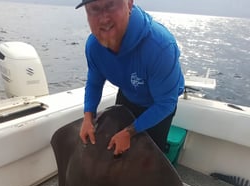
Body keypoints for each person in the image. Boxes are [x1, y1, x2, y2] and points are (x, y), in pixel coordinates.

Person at [76, 0, 184, 155]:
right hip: (129, 94)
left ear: (129, 4)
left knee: (150, 157)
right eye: (94, 9)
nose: (104, 18)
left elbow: (166, 103)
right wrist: (88, 116)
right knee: (116, 150)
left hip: (158, 105)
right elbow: (94, 82)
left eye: (111, 5)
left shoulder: (160, 47)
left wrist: (129, 132)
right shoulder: (93, 46)